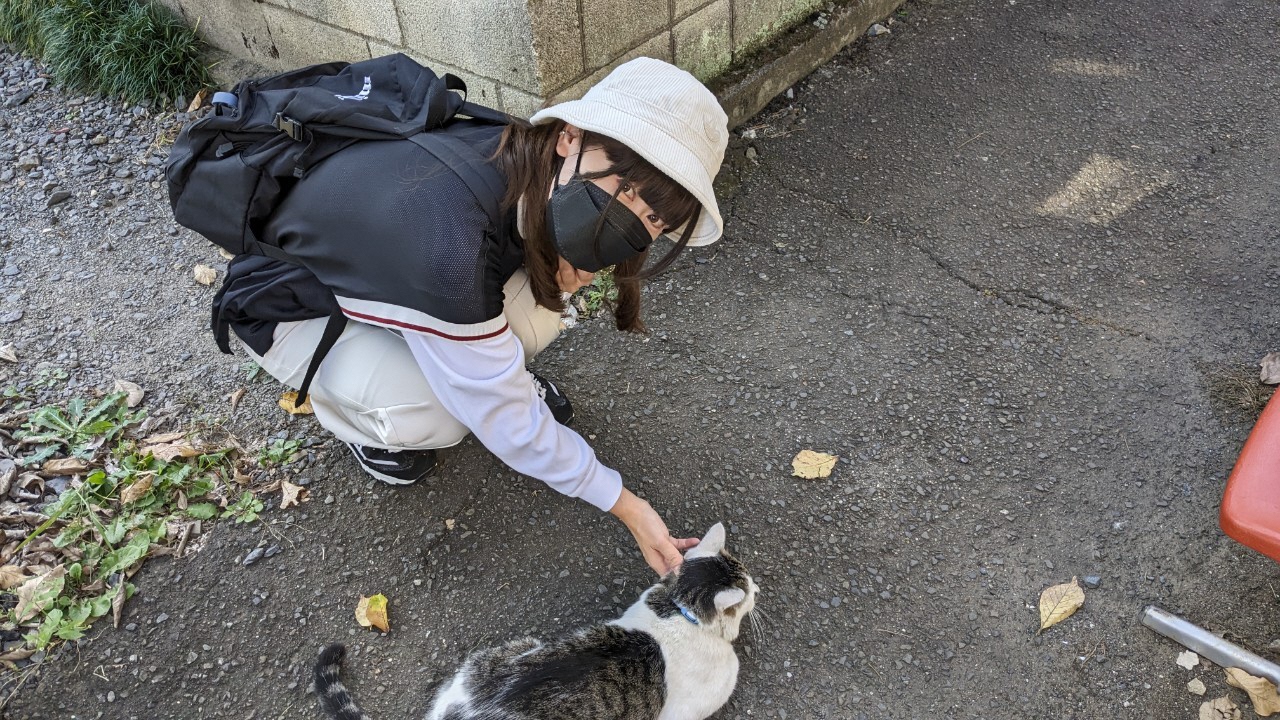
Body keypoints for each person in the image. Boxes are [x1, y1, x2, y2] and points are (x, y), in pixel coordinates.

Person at [211, 57, 729, 576]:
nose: (635, 221)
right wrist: (630, 508)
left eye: (656, 217)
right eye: (630, 188)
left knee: (537, 313)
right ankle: (366, 428)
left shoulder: (526, 157)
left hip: (385, 276)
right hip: (290, 310)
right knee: (445, 413)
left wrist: (558, 261)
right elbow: (509, 424)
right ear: (571, 137)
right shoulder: (449, 242)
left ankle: (470, 364)